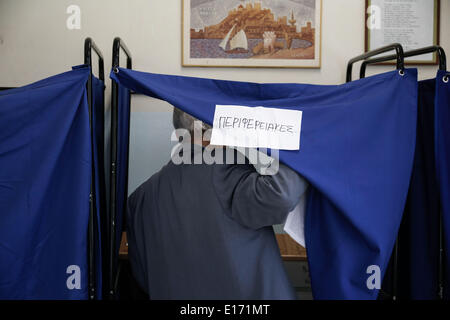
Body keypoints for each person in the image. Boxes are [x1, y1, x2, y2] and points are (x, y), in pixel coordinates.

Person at [126, 108, 309, 299]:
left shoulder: (140, 199)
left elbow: (144, 278)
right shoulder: (225, 174)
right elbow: (283, 193)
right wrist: (298, 135)